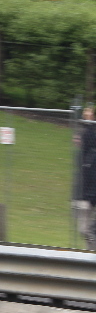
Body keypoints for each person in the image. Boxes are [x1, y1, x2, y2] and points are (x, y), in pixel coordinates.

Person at [73, 106, 96, 249]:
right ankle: (91, 249)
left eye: (89, 114)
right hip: (85, 191)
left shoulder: (90, 134)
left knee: (90, 228)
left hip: (91, 190)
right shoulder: (83, 156)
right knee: (83, 229)